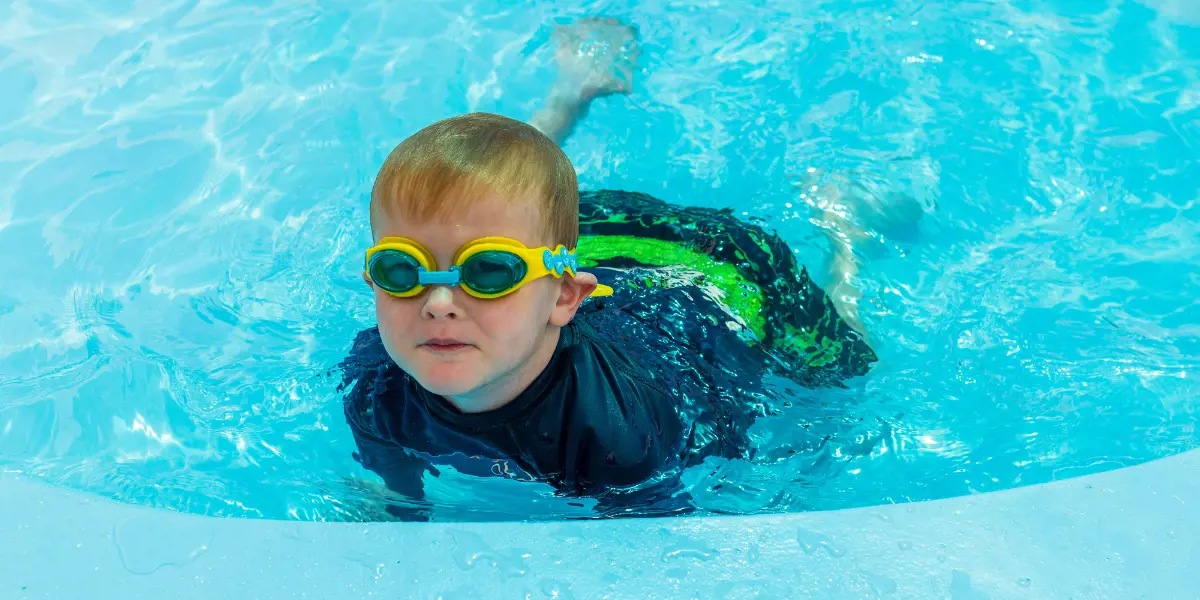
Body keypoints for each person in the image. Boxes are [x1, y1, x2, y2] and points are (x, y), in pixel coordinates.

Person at [339, 19, 884, 520]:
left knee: (843, 372)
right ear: (374, 283)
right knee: (480, 199)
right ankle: (570, 94)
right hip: (595, 235)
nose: (436, 302)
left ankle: (844, 229)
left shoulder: (620, 442)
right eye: (401, 269)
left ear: (563, 299)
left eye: (486, 274)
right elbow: (396, 500)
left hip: (717, 276)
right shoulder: (375, 386)